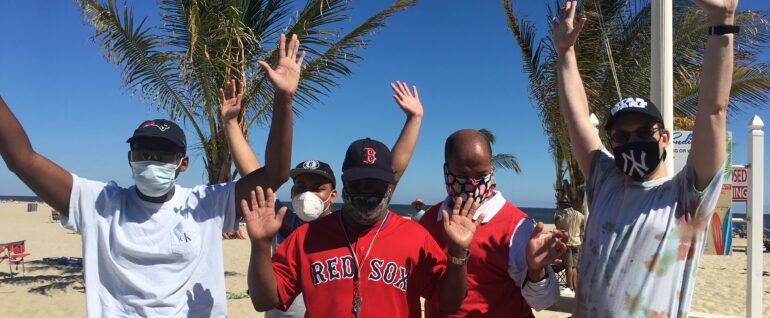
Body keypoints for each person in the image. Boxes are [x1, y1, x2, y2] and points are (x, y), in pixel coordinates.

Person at [0, 33, 304, 317]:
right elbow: (23, 160)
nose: (150, 161)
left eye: (161, 155)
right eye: (143, 154)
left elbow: (275, 175)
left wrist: (284, 99)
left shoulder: (206, 204)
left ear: (182, 164)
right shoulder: (101, 204)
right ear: (130, 159)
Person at [552, 0, 737, 316]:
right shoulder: (604, 180)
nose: (632, 141)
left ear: (664, 137)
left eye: (643, 132)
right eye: (622, 137)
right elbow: (577, 120)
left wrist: (722, 21)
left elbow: (712, 112)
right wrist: (566, 54)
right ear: (611, 142)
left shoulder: (686, 198)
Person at [221, 80, 424, 317]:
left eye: (318, 188)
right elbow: (254, 174)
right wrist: (231, 124)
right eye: (301, 186)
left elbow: (389, 177)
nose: (308, 193)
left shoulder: (343, 226)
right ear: (292, 191)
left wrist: (414, 121)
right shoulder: (278, 219)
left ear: (335, 195)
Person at [419, 129, 567, 317]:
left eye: (481, 175)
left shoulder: (517, 226)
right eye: (462, 175)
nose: (473, 184)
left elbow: (543, 301)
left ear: (491, 169)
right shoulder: (430, 219)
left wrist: (536, 271)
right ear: (446, 170)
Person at [553, 198, 584, 294]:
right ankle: (575, 286)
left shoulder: (561, 214)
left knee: (568, 266)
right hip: (577, 242)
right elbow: (584, 224)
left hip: (567, 243)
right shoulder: (579, 214)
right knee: (574, 266)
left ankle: (569, 286)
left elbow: (557, 226)